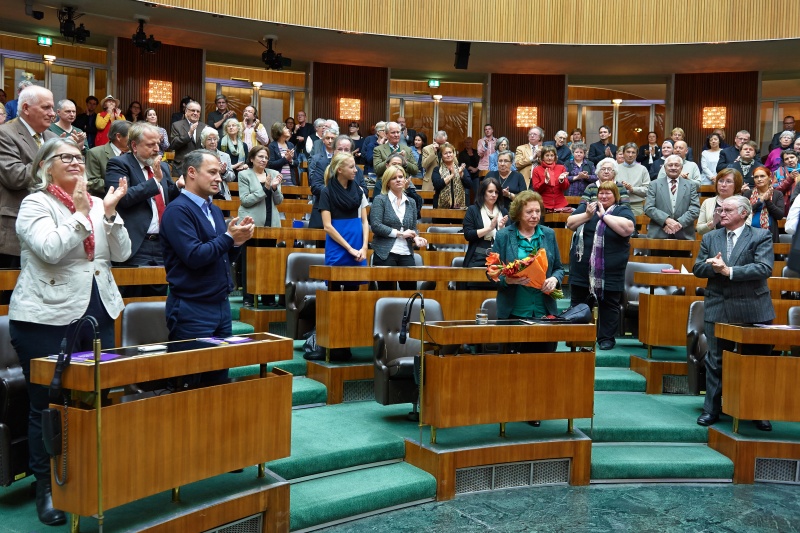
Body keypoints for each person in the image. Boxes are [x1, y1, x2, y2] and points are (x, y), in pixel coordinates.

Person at [9, 138, 130, 526]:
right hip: (45, 316)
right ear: (46, 165)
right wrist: (80, 215)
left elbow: (123, 253)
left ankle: (87, 476)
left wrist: (108, 215)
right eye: (66, 157)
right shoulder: (35, 204)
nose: (76, 162)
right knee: (47, 403)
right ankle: (47, 486)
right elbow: (49, 250)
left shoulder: (96, 203)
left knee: (93, 397)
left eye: (80, 157)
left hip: (100, 310)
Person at [160, 149, 254, 385]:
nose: (219, 178)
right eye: (212, 172)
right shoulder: (177, 211)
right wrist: (229, 238)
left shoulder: (212, 209)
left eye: (220, 173)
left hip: (220, 306)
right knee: (190, 384)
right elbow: (194, 256)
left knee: (218, 380)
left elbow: (219, 257)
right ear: (191, 172)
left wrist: (237, 243)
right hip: (192, 308)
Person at [693, 195, 774, 432]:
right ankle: (711, 409)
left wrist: (728, 270)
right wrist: (712, 266)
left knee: (755, 363)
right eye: (719, 209)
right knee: (715, 361)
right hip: (718, 305)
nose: (721, 213)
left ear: (743, 213)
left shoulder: (761, 235)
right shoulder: (710, 237)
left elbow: (764, 268)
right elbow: (698, 268)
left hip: (753, 308)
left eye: (727, 210)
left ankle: (757, 411)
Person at [105, 122, 181, 297]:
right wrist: (154, 182)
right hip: (135, 244)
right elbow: (122, 198)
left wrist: (177, 187)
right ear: (134, 145)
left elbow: (166, 197)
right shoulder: (118, 164)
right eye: (150, 145)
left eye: (158, 144)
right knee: (130, 297)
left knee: (158, 298)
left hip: (162, 243)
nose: (157, 149)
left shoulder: (161, 167)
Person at [567, 181, 636, 350]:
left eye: (608, 193)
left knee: (609, 304)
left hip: (610, 271)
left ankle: (606, 338)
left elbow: (628, 229)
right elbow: (570, 223)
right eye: (601, 193)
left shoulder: (622, 210)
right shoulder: (588, 208)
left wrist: (604, 216)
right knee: (579, 305)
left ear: (616, 196)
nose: (604, 196)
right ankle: (578, 337)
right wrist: (588, 215)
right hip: (582, 269)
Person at [0, 86, 57, 271]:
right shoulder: (5, 134)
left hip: (51, 229)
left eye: (53, 108)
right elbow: (14, 176)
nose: (52, 114)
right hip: (15, 230)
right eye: (46, 108)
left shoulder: (52, 137)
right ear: (26, 108)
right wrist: (52, 166)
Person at [493, 190, 564, 332]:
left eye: (538, 211)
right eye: (529, 212)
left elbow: (559, 268)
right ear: (519, 213)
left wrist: (554, 279)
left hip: (544, 311)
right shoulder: (503, 236)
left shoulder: (549, 234)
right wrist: (507, 280)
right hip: (513, 312)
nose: (535, 216)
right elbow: (491, 272)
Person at [237, 145, 283, 307]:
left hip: (271, 224)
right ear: (251, 159)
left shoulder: (274, 174)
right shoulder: (244, 175)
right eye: (260, 157)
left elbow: (278, 201)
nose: (263, 160)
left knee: (268, 261)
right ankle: (248, 298)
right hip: (251, 224)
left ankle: (268, 297)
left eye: (266, 157)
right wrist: (265, 188)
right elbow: (246, 200)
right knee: (250, 261)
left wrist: (275, 188)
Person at [369, 164, 428, 290]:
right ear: (388, 182)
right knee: (387, 295)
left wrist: (416, 238)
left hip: (406, 253)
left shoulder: (411, 202)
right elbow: (376, 225)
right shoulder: (380, 200)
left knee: (409, 295)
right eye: (394, 178)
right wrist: (400, 234)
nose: (398, 179)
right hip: (385, 253)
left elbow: (412, 227)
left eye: (401, 177)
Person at [319, 152, 369, 294]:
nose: (356, 170)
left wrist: (364, 247)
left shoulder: (359, 191)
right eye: (352, 167)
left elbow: (365, 222)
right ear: (340, 169)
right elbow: (327, 226)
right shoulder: (326, 192)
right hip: (338, 246)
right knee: (333, 290)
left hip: (357, 244)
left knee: (353, 292)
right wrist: (349, 248)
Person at [463, 177, 508, 289]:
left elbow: (509, 239)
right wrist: (489, 228)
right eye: (490, 191)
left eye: (496, 192)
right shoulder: (473, 210)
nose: (494, 195)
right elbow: (468, 235)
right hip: (478, 257)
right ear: (483, 192)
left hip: (499, 258)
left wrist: (502, 229)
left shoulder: (503, 211)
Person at [644, 154, 701, 240]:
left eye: (677, 165)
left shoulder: (691, 185)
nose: (673, 167)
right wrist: (666, 220)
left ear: (681, 168)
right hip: (658, 234)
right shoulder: (654, 184)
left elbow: (695, 209)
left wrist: (678, 224)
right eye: (670, 165)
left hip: (684, 235)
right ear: (664, 167)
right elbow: (648, 208)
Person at [86, 119, 131, 196]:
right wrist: (119, 185)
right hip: (106, 200)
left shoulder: (134, 153)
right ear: (118, 137)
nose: (135, 140)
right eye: (131, 136)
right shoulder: (95, 153)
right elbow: (92, 182)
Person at [697, 168, 748, 236]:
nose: (723, 185)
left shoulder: (743, 202)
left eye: (728, 181)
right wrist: (712, 223)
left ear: (736, 185)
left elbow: (747, 226)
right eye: (720, 181)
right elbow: (699, 229)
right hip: (713, 243)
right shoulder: (707, 202)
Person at [744, 166, 784, 242]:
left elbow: (779, 215)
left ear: (769, 177)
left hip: (769, 234)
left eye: (762, 176)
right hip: (748, 234)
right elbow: (744, 212)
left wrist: (768, 201)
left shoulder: (777, 194)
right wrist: (760, 201)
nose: (759, 179)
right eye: (756, 177)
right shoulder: (748, 193)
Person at [169, 100, 206, 175]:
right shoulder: (177, 125)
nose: (195, 113)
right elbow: (173, 144)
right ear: (186, 111)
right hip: (181, 167)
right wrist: (189, 134)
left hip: (199, 168)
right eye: (193, 110)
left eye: (198, 111)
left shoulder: (205, 127)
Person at [200, 126, 236, 200]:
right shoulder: (199, 156)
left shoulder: (225, 156)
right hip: (205, 195)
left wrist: (224, 172)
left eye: (215, 139)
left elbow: (232, 177)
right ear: (204, 142)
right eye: (209, 139)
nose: (212, 142)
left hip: (223, 195)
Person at [531, 145, 570, 212]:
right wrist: (545, 181)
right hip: (544, 205)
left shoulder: (561, 168)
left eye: (552, 155)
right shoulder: (537, 170)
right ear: (542, 157)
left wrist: (561, 180)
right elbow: (536, 189)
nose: (549, 158)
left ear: (555, 157)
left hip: (560, 205)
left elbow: (565, 187)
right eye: (547, 155)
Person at [616, 142, 651, 216]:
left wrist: (632, 189)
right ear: (623, 153)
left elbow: (648, 190)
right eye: (628, 152)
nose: (630, 155)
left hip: (636, 205)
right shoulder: (615, 168)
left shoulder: (642, 169)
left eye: (633, 152)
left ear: (636, 154)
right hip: (618, 204)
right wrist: (621, 188)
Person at [432, 142, 470, 209]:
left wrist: (461, 174)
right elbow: (437, 185)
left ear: (453, 154)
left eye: (450, 152)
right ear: (441, 156)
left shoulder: (460, 168)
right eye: (445, 153)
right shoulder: (437, 169)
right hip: (441, 209)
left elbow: (469, 185)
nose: (448, 155)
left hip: (460, 209)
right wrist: (452, 175)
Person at [268, 121, 297, 185]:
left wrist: (290, 160)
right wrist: (285, 159)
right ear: (279, 131)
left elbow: (297, 163)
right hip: (277, 181)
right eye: (285, 128)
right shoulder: (272, 146)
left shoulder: (291, 145)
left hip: (290, 181)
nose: (288, 130)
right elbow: (271, 164)